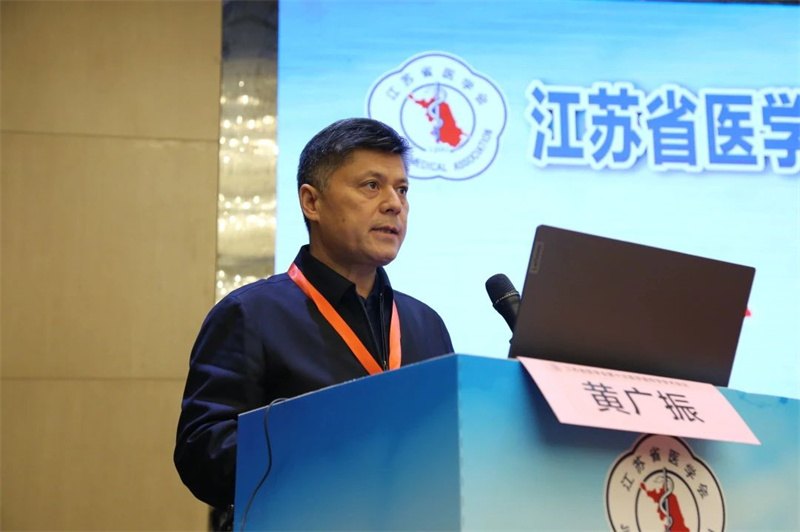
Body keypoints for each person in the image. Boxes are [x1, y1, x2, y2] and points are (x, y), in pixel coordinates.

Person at [174, 118, 454, 517]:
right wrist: (320, 441)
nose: (394, 203)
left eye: (402, 189)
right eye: (371, 185)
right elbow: (202, 455)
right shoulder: (250, 314)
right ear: (311, 202)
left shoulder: (424, 323)